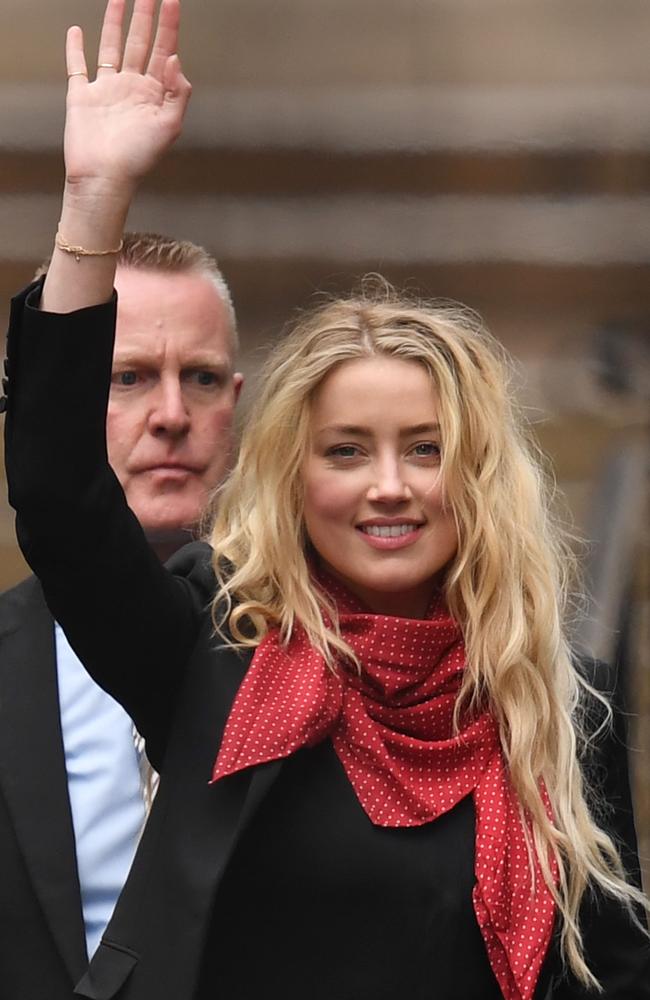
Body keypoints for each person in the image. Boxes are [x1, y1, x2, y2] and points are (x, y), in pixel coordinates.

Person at [3, 0, 649, 997]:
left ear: (474, 479)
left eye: (423, 449)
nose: (386, 485)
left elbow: (613, 969)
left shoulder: (560, 708)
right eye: (346, 450)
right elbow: (59, 501)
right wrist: (94, 201)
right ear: (295, 480)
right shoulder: (212, 664)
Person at [0, 227, 242, 997]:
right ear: (62, 406)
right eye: (129, 377)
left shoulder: (319, 649)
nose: (172, 413)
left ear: (237, 404)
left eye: (201, 379)